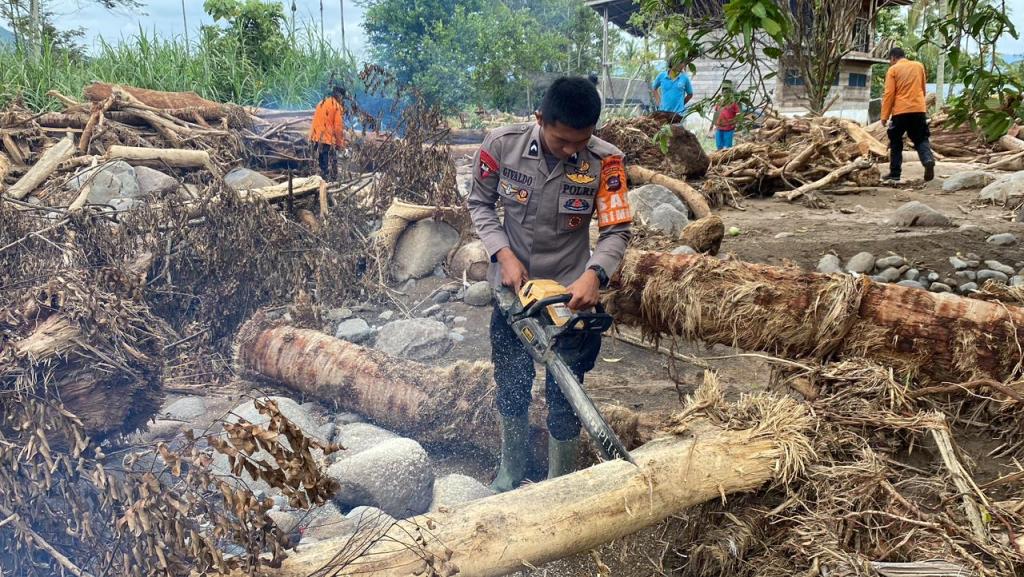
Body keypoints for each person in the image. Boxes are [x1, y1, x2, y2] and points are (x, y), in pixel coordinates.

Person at [468, 77, 632, 492]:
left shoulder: (607, 162)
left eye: (581, 141)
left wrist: (594, 275)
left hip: (569, 299)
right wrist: (502, 253)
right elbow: (480, 204)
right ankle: (511, 471)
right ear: (540, 119)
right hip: (513, 296)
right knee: (511, 382)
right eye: (562, 142)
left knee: (566, 394)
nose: (571, 151)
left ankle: (560, 484)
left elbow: (617, 231)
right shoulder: (501, 146)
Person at [880, 47, 934, 183]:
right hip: (919, 109)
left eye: (890, 61)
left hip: (900, 111)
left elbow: (889, 94)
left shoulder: (893, 70)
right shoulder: (918, 66)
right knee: (921, 138)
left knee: (896, 141)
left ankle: (895, 174)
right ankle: (927, 159)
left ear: (893, 58)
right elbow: (922, 88)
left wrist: (884, 116)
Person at [309, 85, 346, 180]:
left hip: (315, 136)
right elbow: (338, 128)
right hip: (325, 138)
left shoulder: (321, 102)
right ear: (340, 96)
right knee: (326, 160)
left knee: (320, 159)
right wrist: (339, 144)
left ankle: (322, 177)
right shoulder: (337, 107)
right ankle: (326, 180)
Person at [651, 56, 694, 122]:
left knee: (678, 131)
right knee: (665, 131)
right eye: (680, 63)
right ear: (673, 64)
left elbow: (690, 94)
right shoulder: (661, 76)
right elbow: (654, 88)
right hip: (663, 113)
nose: (683, 65)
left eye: (683, 63)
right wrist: (659, 103)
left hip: (678, 114)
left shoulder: (684, 78)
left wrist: (682, 104)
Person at [709, 81, 741, 150]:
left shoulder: (733, 103)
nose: (725, 93)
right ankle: (719, 159)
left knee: (727, 148)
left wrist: (735, 124)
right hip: (719, 128)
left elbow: (738, 115)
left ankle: (727, 160)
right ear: (722, 93)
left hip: (729, 129)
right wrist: (711, 127)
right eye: (724, 91)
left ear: (730, 93)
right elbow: (716, 115)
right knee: (719, 147)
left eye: (727, 91)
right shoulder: (719, 103)